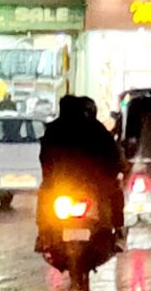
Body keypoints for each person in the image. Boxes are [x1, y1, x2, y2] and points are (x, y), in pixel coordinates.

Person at [39, 96, 125, 244]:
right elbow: (114, 156)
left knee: (44, 195)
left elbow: (45, 158)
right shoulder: (96, 129)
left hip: (71, 185)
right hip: (82, 185)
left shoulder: (54, 129)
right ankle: (118, 232)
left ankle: (43, 234)